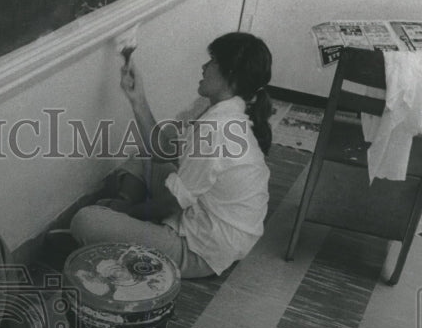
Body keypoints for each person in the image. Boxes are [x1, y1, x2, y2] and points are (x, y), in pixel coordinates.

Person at [71, 32, 273, 278]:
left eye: (212, 62)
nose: (204, 67)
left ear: (229, 75)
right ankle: (125, 216)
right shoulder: (225, 114)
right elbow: (164, 151)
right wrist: (138, 99)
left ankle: (122, 220)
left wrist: (128, 213)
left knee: (85, 221)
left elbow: (172, 201)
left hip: (201, 251)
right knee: (145, 153)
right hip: (203, 220)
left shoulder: (218, 130)